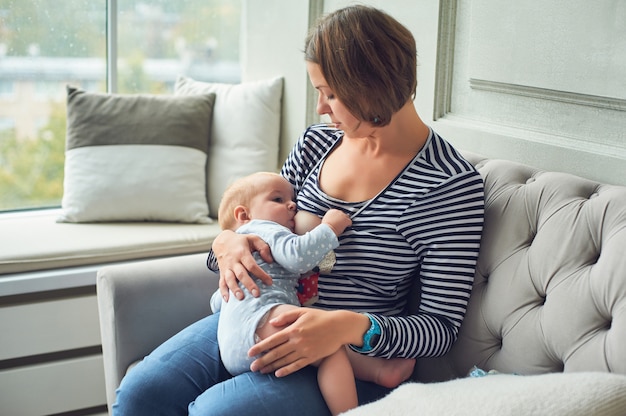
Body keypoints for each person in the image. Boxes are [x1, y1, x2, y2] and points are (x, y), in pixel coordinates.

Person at [112, 5, 485, 416]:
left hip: (346, 363)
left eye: (330, 94)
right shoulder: (316, 145)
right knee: (140, 394)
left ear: (371, 87)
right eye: (318, 92)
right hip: (256, 314)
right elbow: (250, 222)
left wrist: (347, 326)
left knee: (216, 413)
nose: (321, 108)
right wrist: (225, 244)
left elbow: (439, 328)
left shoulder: (447, 185)